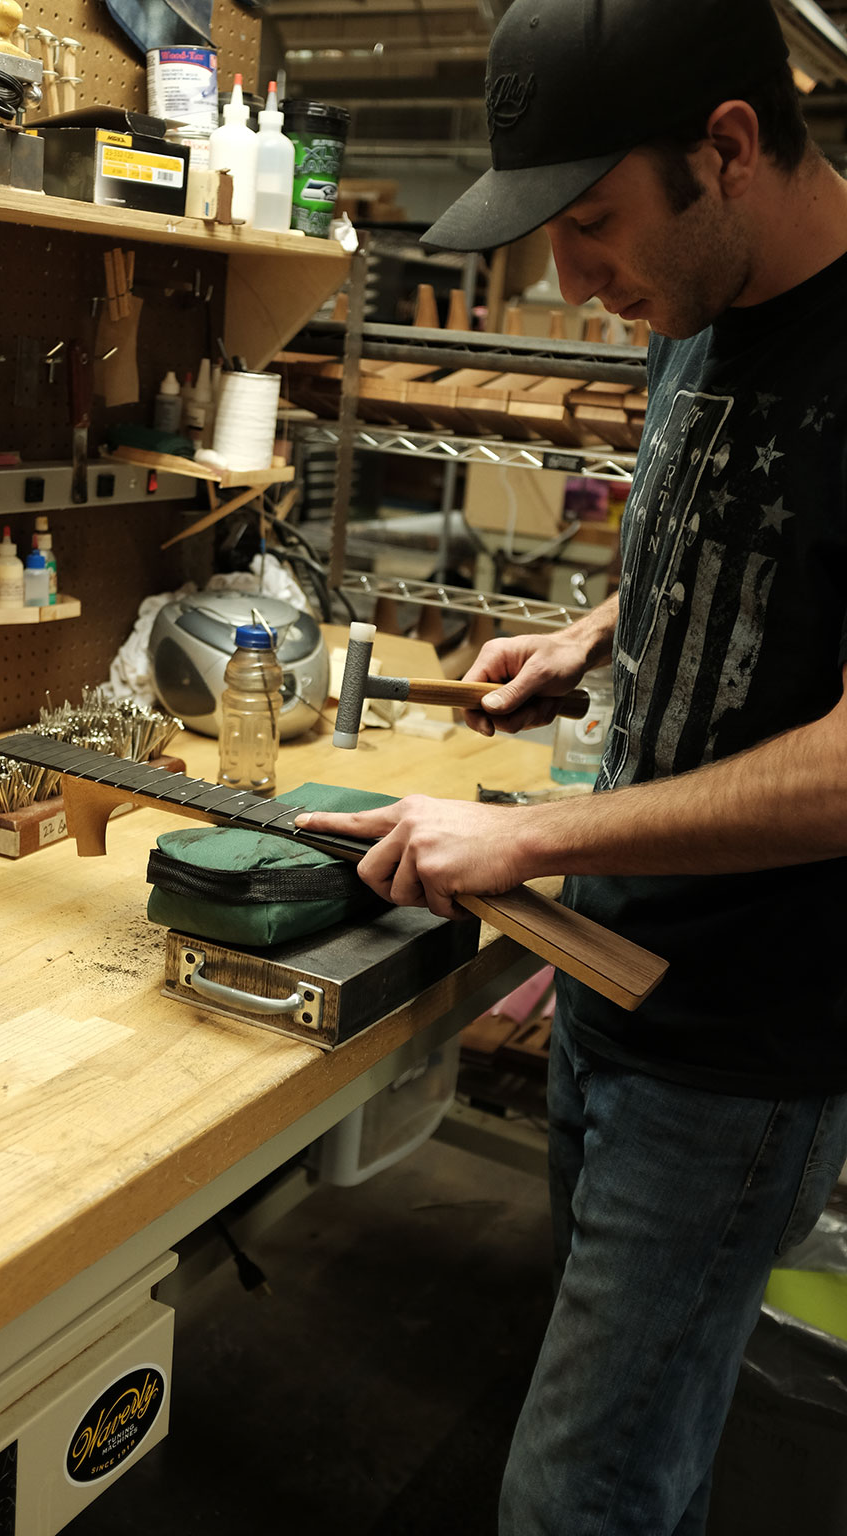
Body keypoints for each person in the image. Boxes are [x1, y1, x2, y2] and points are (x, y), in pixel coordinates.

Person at [295, 1, 847, 1531]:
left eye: (595, 223)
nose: (571, 280)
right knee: (619, 1446)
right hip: (607, 972)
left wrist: (536, 836)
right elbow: (746, 518)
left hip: (742, 1047)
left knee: (575, 1499)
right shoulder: (702, 300)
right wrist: (594, 634)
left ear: (726, 150)